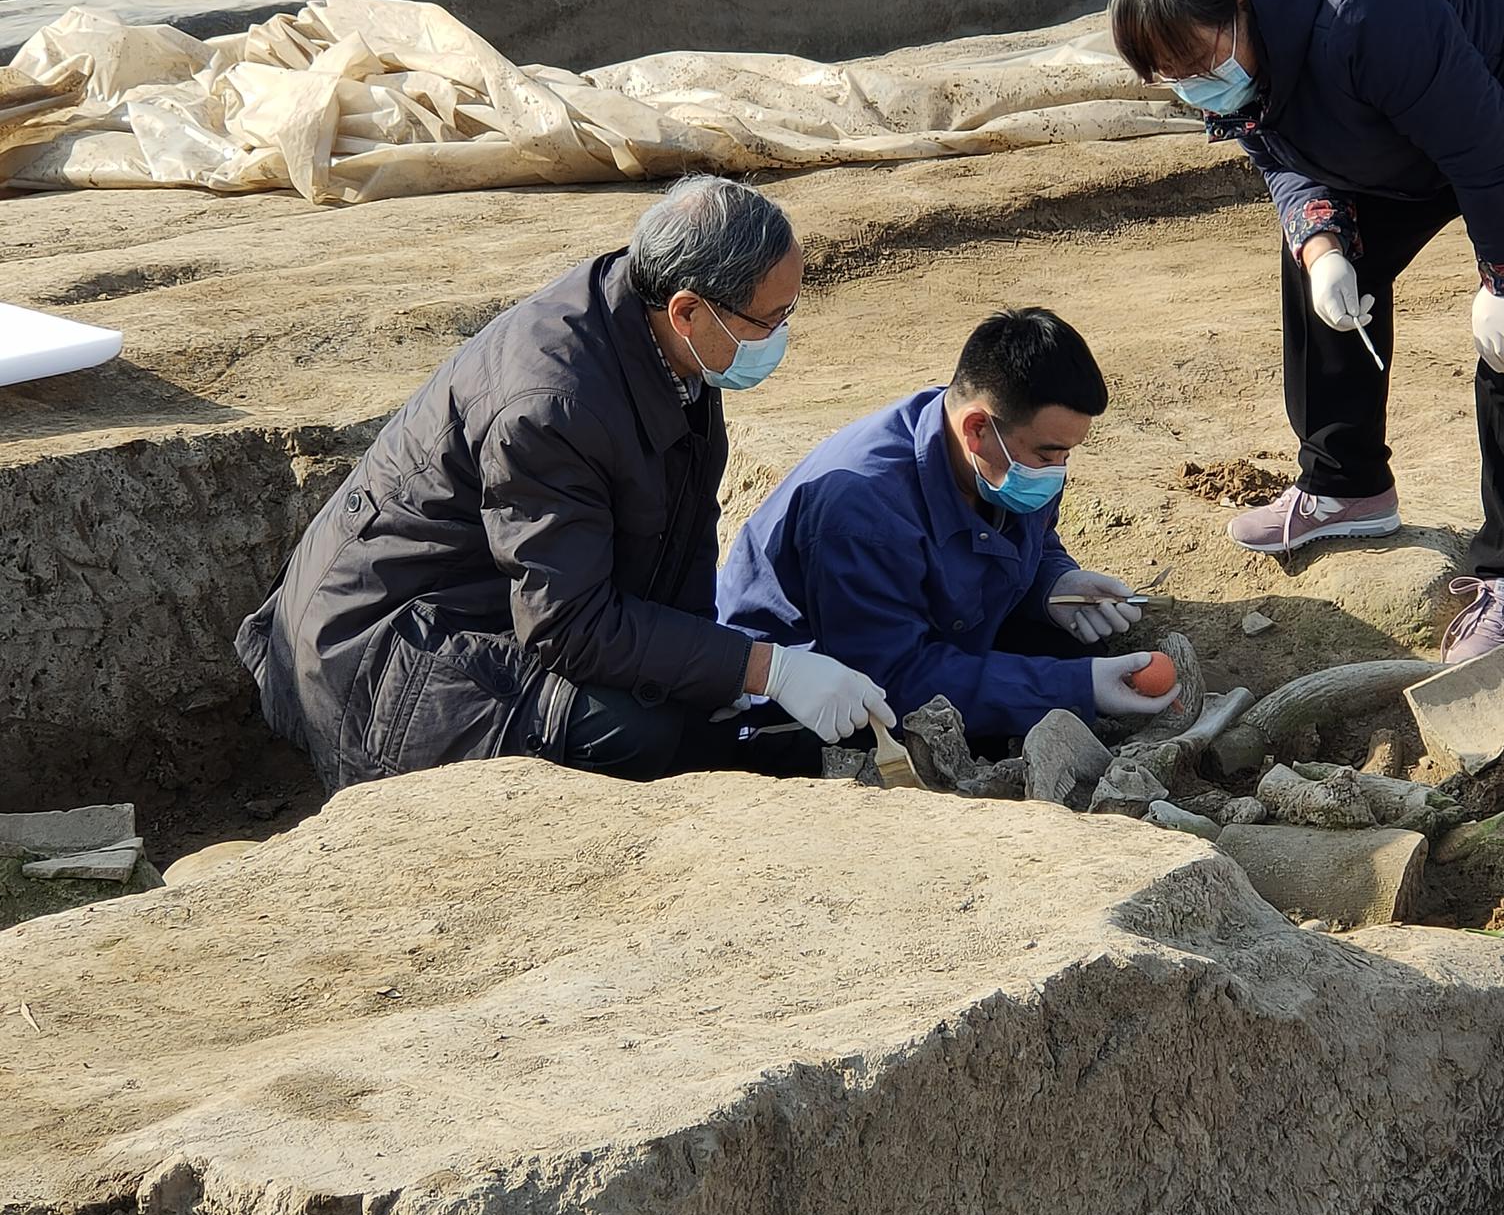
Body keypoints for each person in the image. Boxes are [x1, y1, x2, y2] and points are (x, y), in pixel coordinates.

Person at [1108, 0, 1504, 663]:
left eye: (1202, 64)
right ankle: (1346, 482)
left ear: (1241, 5)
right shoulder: (1247, 36)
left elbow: (1490, 151)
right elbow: (1275, 148)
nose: (1197, 85)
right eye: (1172, 77)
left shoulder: (1367, 11)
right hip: (1426, 116)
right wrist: (1322, 246)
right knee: (1325, 265)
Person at [236, 176, 893, 791]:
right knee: (638, 730)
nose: (779, 338)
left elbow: (680, 545)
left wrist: (726, 681)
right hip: (378, 652)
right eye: (767, 321)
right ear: (688, 309)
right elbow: (571, 626)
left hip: (495, 602)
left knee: (712, 720)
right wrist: (765, 668)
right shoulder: (554, 405)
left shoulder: (668, 342)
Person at [717, 308, 1180, 743]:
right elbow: (892, 682)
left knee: (1068, 651)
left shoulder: (1000, 451)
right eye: (1047, 454)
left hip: (931, 637)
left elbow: (1032, 537)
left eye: (1067, 454)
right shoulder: (863, 513)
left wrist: (1054, 583)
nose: (1057, 470)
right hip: (801, 704)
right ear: (976, 427)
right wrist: (1078, 687)